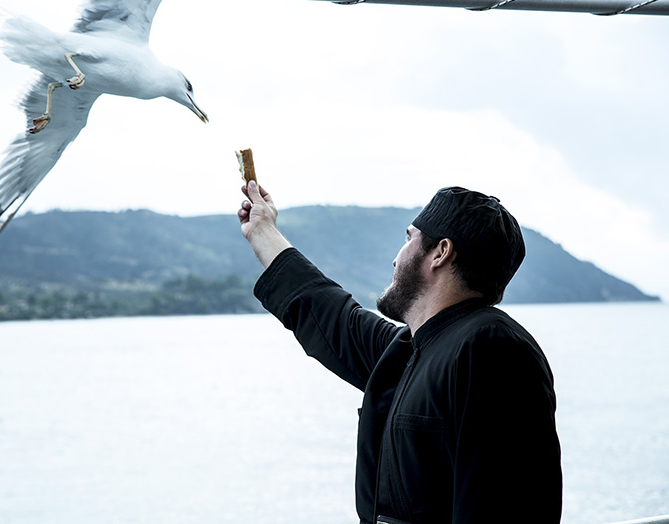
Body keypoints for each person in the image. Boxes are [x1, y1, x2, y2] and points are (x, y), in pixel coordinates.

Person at [237, 181, 562, 524]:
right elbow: (329, 313)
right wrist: (262, 230)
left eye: (409, 239)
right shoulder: (409, 349)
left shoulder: (492, 350)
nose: (395, 258)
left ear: (440, 252)